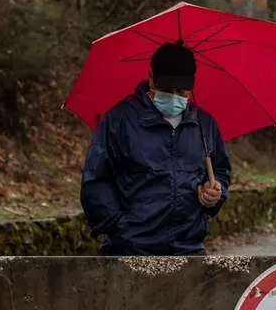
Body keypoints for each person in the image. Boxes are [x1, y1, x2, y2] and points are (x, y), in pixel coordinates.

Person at [81, 42, 231, 256]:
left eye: (180, 91)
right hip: (129, 251)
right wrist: (121, 229)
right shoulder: (120, 120)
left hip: (189, 250)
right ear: (151, 78)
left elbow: (221, 171)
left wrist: (215, 193)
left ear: (192, 85)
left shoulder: (204, 124)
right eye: (166, 89)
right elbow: (95, 180)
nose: (173, 97)